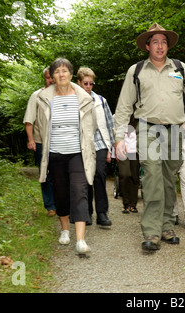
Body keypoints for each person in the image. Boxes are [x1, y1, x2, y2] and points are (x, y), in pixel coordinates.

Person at [114, 23, 185, 251]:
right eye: (155, 42)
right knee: (152, 174)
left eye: (163, 42)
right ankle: (151, 230)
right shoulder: (136, 71)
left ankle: (167, 225)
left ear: (168, 46)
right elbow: (124, 106)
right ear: (147, 46)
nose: (160, 46)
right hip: (147, 128)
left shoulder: (180, 68)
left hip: (176, 129)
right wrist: (119, 136)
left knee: (168, 178)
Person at [35, 58, 107, 255]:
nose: (61, 75)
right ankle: (65, 230)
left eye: (64, 71)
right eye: (57, 72)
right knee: (61, 193)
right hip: (56, 153)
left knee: (80, 192)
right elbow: (41, 126)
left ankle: (81, 240)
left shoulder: (83, 98)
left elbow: (90, 126)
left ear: (71, 74)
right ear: (53, 76)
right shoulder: (45, 98)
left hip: (78, 153)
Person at [77, 67, 114, 227]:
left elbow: (109, 123)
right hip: (81, 144)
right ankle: (86, 213)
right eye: (85, 83)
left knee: (99, 174)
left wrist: (110, 148)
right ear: (78, 82)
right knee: (85, 178)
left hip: (100, 142)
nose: (88, 86)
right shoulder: (73, 99)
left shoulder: (100, 100)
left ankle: (101, 213)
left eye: (91, 83)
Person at [23, 67, 56, 217]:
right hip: (41, 141)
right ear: (45, 78)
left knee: (60, 174)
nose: (50, 80)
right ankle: (50, 206)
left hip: (60, 142)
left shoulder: (65, 95)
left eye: (52, 77)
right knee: (45, 173)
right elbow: (29, 121)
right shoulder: (36, 96)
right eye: (48, 77)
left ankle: (62, 203)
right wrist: (31, 140)